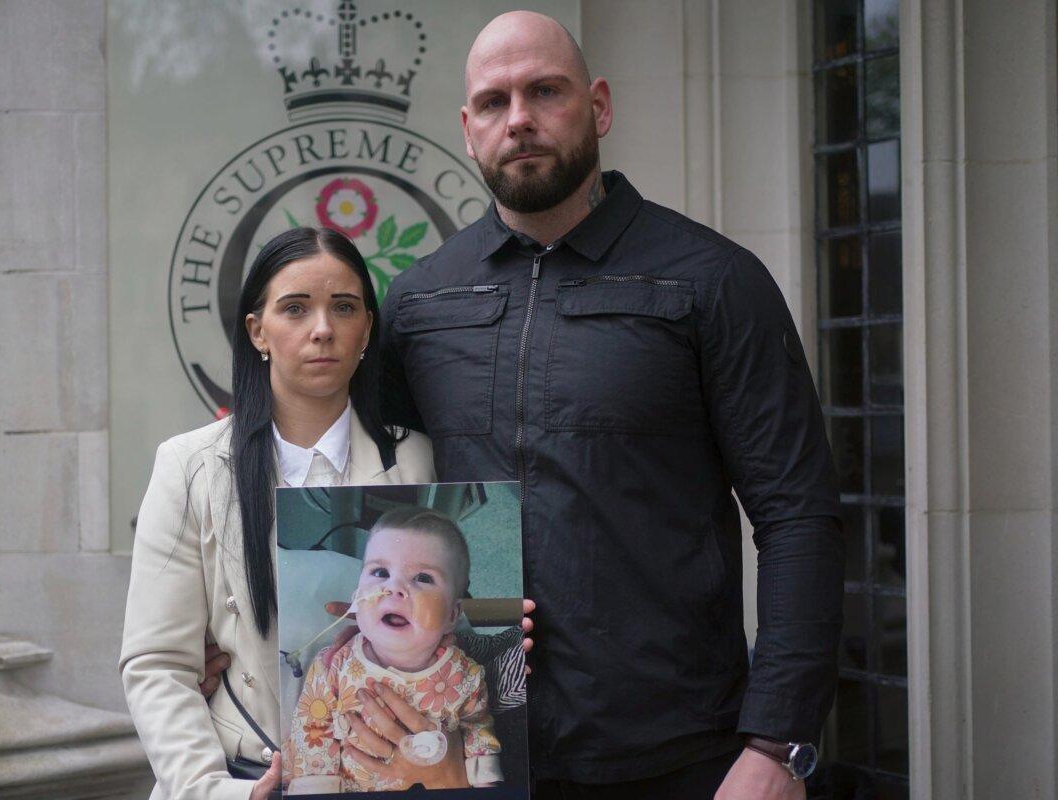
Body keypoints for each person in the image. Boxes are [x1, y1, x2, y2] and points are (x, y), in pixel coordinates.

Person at [376, 11, 845, 800]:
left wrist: (779, 741)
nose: (518, 119)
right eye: (493, 102)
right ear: (468, 130)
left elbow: (798, 513)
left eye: (545, 91)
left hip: (678, 755)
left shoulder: (712, 282)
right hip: (468, 750)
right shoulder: (419, 303)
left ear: (598, 107)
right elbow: (358, 487)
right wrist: (228, 637)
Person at [120, 227, 440, 799]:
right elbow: (157, 663)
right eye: (295, 308)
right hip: (246, 777)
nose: (322, 329)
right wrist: (217, 791)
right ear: (257, 330)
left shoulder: (416, 458)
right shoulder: (190, 466)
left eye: (344, 307)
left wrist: (492, 641)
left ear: (367, 328)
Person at [285, 507, 502, 794]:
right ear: (356, 599)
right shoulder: (332, 665)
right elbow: (312, 729)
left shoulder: (466, 676)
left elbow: (476, 724)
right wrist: (316, 787)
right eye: (380, 572)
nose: (394, 588)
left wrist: (482, 773)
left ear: (452, 614)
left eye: (423, 578)